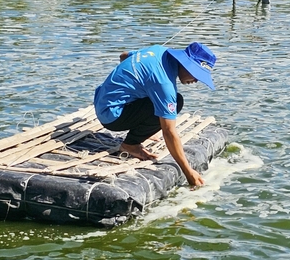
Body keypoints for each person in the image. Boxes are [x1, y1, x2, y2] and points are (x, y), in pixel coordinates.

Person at [93, 42, 217, 187]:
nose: (196, 81)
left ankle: (140, 127)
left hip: (101, 100)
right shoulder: (164, 84)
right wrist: (188, 172)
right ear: (185, 64)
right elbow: (169, 132)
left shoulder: (158, 50)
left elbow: (124, 56)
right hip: (111, 116)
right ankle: (130, 145)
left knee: (160, 101)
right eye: (196, 74)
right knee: (177, 101)